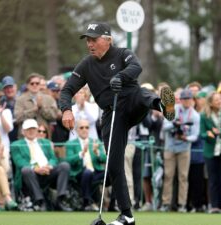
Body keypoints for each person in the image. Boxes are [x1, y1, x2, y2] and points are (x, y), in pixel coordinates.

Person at [59, 22, 175, 225]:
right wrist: (66, 109)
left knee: (141, 94)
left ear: (108, 40)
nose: (90, 44)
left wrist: (120, 76)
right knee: (113, 164)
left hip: (131, 101)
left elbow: (136, 67)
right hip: (112, 114)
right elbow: (67, 90)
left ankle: (163, 106)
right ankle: (127, 216)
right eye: (87, 40)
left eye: (94, 39)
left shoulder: (123, 53)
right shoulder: (86, 64)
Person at [10, 119, 72, 211]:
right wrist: (36, 168)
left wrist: (49, 166)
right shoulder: (16, 145)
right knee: (26, 170)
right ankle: (40, 201)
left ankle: (60, 200)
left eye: (33, 129)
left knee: (64, 165)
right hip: (30, 175)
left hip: (47, 172)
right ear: (23, 131)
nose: (31, 131)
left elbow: (53, 159)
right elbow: (19, 162)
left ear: (36, 130)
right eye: (28, 129)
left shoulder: (46, 142)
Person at [160, 89, 200, 213]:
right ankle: (166, 203)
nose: (187, 101)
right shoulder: (173, 109)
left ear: (192, 100)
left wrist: (185, 137)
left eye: (189, 99)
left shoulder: (194, 115)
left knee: (183, 176)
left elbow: (195, 135)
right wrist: (175, 124)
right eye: (184, 99)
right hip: (170, 147)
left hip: (184, 147)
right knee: (168, 175)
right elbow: (165, 126)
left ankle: (181, 204)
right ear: (181, 100)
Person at [65, 119, 106, 211]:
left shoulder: (95, 142)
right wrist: (81, 153)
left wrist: (97, 152)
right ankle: (87, 203)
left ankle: (113, 204)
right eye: (81, 127)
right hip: (79, 173)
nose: (84, 129)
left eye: (87, 127)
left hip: (96, 171)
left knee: (113, 172)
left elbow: (105, 159)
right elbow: (69, 160)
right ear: (76, 129)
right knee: (87, 172)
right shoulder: (71, 143)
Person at [14, 73, 58, 138]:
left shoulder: (49, 99)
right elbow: (18, 117)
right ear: (27, 85)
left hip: (44, 137)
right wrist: (33, 110)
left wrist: (42, 108)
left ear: (40, 85)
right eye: (32, 83)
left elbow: (54, 116)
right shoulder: (20, 100)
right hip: (25, 138)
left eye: (37, 83)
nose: (34, 85)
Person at [0, 75, 19, 143]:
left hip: (19, 131)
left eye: (11, 87)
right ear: (3, 90)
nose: (9, 90)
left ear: (16, 87)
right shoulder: (0, 102)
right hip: (5, 132)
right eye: (6, 88)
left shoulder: (22, 100)